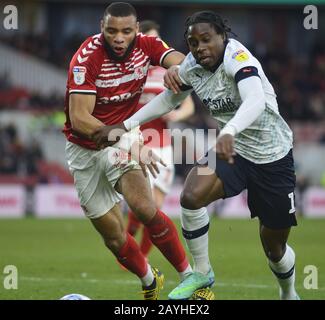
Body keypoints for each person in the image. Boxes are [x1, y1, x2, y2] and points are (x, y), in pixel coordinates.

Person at [97, 10, 300, 300]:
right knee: (191, 196)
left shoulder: (238, 58)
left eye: (206, 39)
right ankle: (202, 273)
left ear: (222, 36)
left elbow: (255, 99)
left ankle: (288, 293)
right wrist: (126, 124)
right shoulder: (192, 65)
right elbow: (169, 99)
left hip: (273, 157)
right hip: (233, 151)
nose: (200, 47)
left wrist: (228, 131)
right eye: (193, 42)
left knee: (274, 248)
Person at [63, 2, 193, 300]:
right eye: (111, 31)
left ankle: (191, 278)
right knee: (113, 237)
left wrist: (178, 70)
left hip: (122, 134)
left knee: (145, 208)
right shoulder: (86, 58)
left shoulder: (147, 45)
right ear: (101, 28)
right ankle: (149, 280)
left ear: (136, 29)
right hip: (84, 149)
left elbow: (181, 60)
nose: (118, 38)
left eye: (125, 31)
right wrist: (132, 144)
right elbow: (81, 120)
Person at [125, 20, 195, 259]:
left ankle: (140, 256)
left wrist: (176, 113)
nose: (152, 44)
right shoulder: (128, 72)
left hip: (162, 147)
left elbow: (188, 105)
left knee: (155, 208)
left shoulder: (168, 73)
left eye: (156, 39)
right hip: (135, 145)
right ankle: (128, 238)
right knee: (140, 205)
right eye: (147, 38)